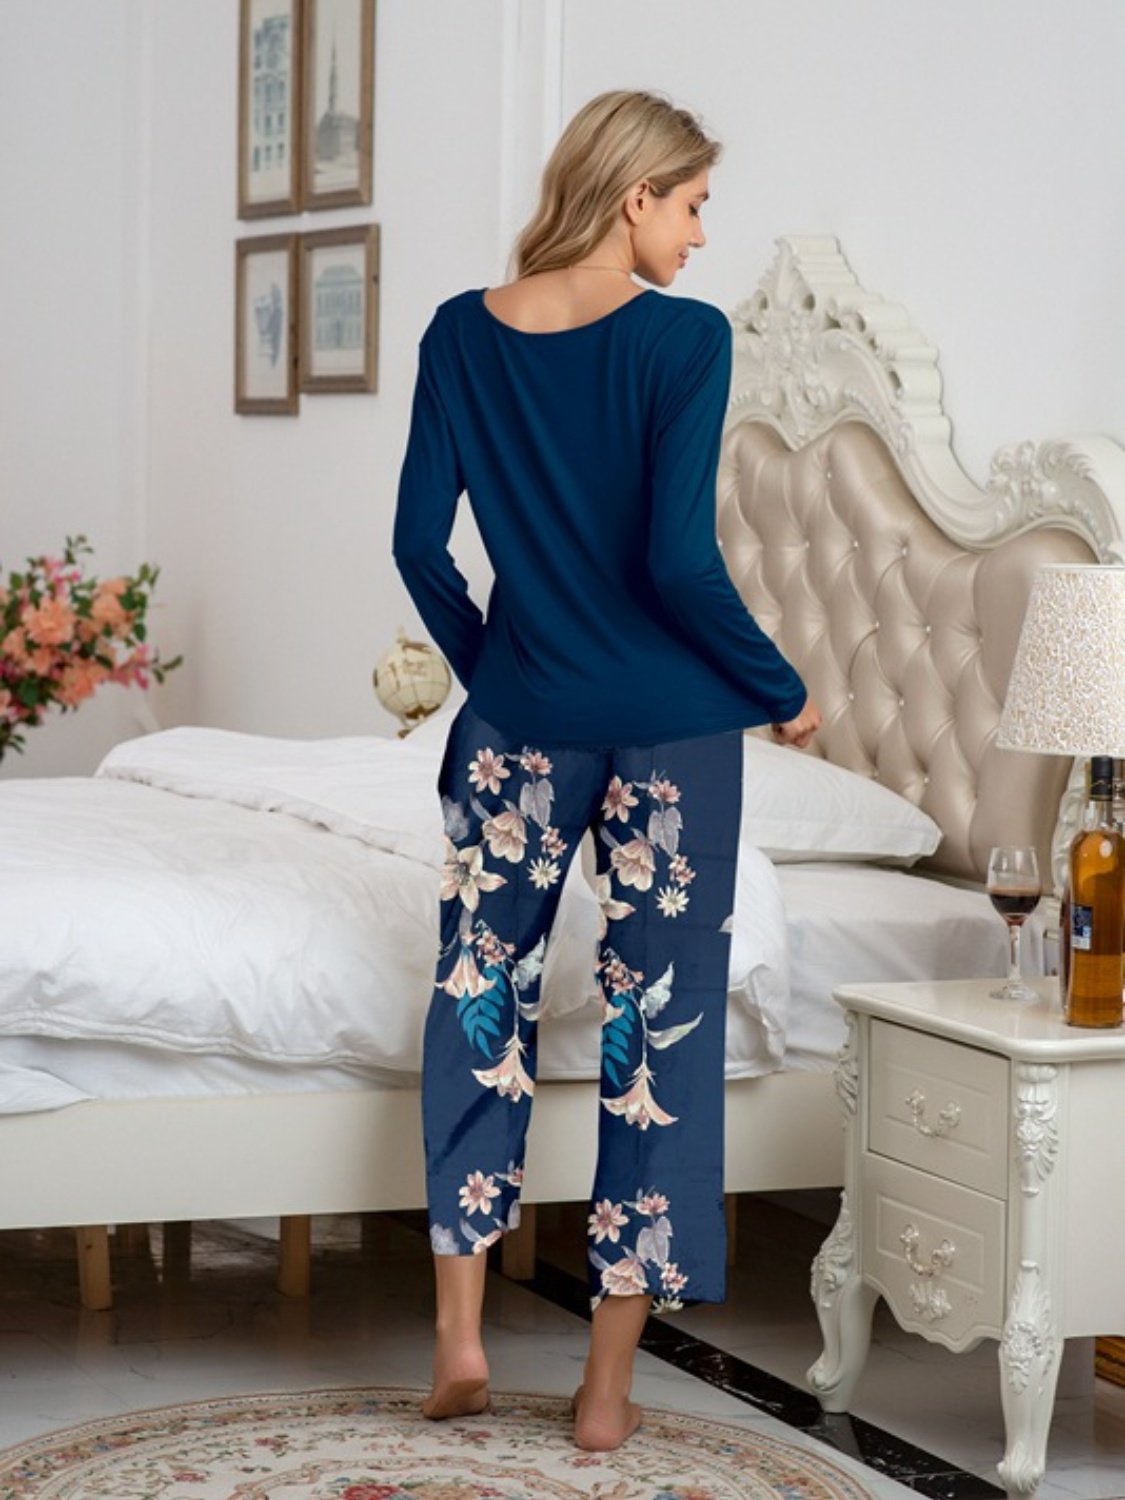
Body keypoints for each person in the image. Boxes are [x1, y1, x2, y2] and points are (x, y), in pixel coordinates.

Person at [393, 88, 820, 1454]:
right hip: (674, 736)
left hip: (516, 727)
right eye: (691, 205)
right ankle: (602, 1393)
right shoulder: (683, 342)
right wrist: (781, 690)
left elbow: (417, 547)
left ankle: (460, 1335)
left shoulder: (460, 333)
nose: (699, 236)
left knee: (479, 991)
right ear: (635, 194)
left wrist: (503, 670)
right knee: (658, 1030)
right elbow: (679, 564)